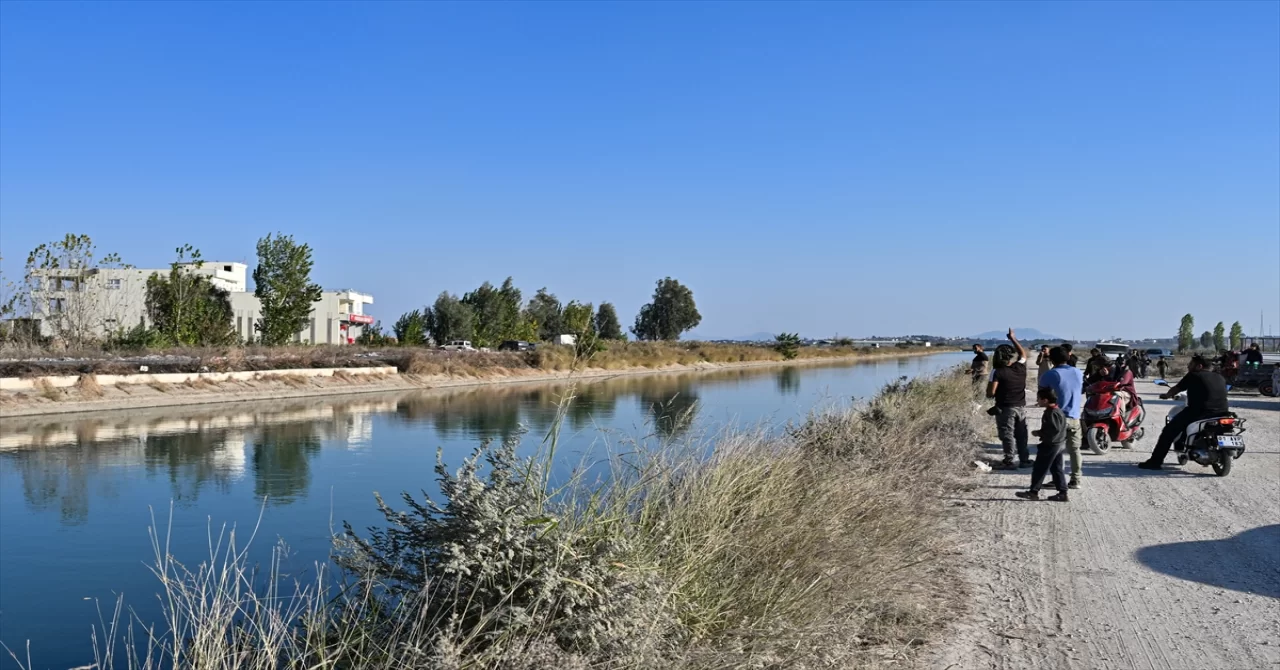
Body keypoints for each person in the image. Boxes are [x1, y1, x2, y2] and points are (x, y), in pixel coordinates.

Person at [1139, 355, 1230, 470]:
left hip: (1198, 412)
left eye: (1191, 364)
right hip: (1223, 412)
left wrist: (1167, 395)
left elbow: (1177, 389)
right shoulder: (1219, 377)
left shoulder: (1194, 375)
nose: (1188, 366)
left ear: (1199, 366)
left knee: (1168, 432)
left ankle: (1155, 462)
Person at [1038, 346, 1085, 488]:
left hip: (1057, 417)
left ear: (1051, 359)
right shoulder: (1078, 372)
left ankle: (1057, 479)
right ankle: (1076, 479)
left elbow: (1042, 396)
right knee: (1075, 450)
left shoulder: (1050, 374)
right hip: (1075, 416)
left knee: (1056, 451)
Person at [1014, 387, 1070, 502]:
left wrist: (1039, 433)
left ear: (1045, 400)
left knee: (1040, 468)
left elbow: (1054, 430)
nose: (1037, 401)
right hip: (1058, 443)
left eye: (1039, 399)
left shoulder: (1052, 413)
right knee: (1056, 468)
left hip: (1051, 444)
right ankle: (1063, 493)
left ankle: (1033, 492)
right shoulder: (1057, 410)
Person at [987, 328, 1030, 469]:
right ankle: (1024, 460)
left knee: (1007, 434)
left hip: (1005, 408)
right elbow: (1023, 354)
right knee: (1021, 435)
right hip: (1021, 407)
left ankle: (1009, 460)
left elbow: (991, 392)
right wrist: (1013, 338)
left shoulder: (997, 371)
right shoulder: (1020, 367)